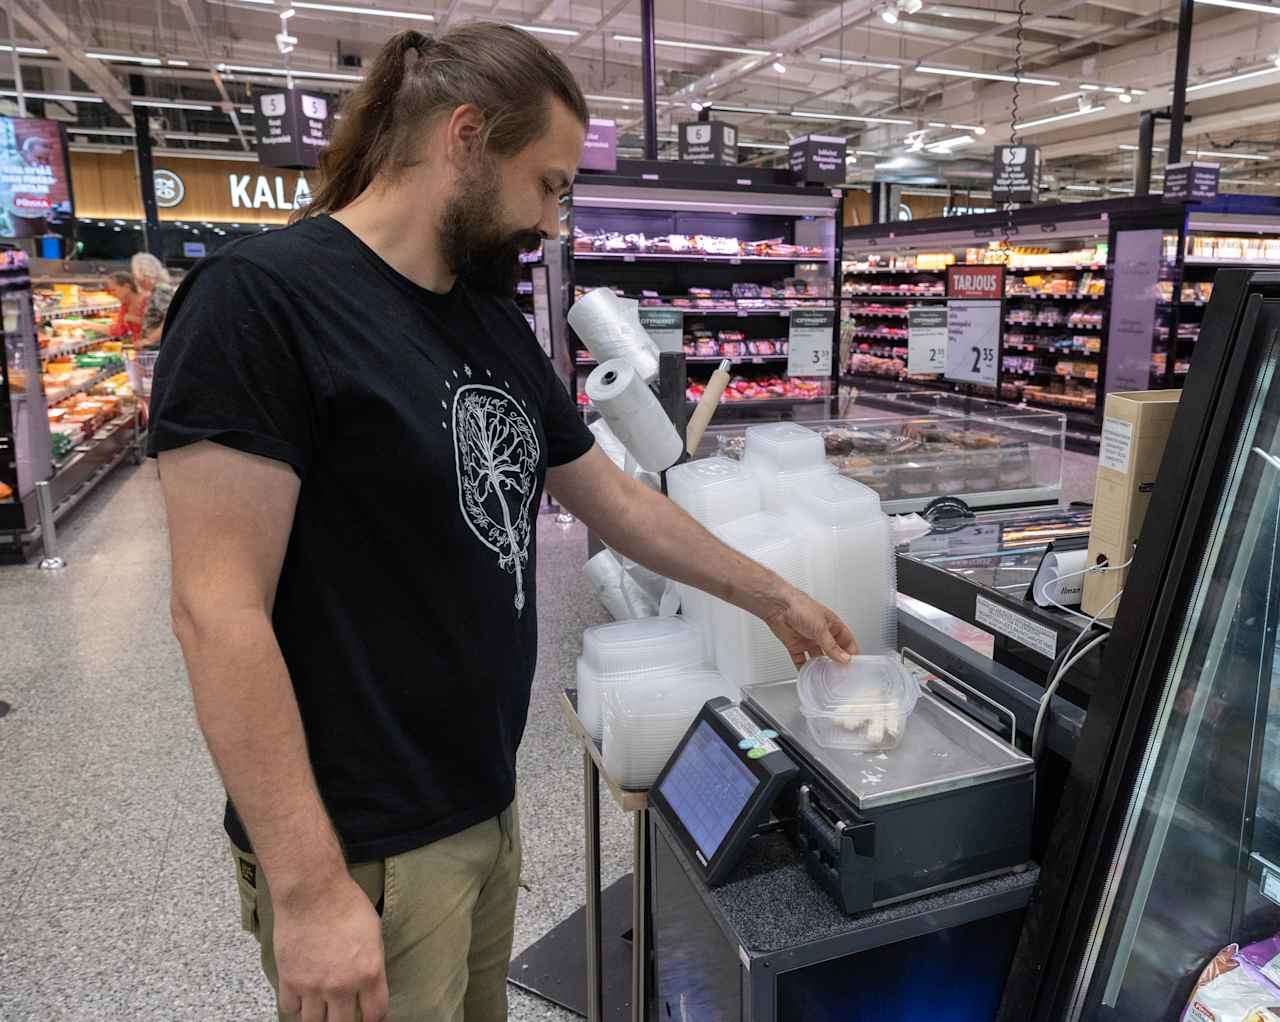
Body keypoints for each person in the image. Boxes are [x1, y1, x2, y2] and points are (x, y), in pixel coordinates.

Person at [147, 23, 857, 1022]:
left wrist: (773, 594)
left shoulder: (484, 320)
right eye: (548, 185)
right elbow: (216, 612)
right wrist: (307, 889)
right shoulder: (262, 303)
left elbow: (613, 499)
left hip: (481, 799)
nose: (553, 224)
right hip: (364, 846)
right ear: (467, 136)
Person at [131, 252, 177, 347]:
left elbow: (171, 317)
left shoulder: (161, 290)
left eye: (136, 277)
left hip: (159, 345)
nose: (137, 282)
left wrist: (150, 340)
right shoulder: (157, 290)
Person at [104, 270, 142, 342]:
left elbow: (158, 324)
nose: (112, 294)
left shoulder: (146, 300)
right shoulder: (125, 306)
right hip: (141, 346)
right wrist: (88, 324)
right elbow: (120, 330)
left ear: (126, 287)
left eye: (114, 290)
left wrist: (134, 319)